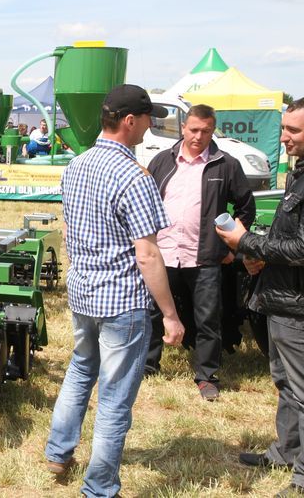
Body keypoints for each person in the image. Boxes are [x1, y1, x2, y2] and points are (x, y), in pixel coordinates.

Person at [44, 84, 184, 498]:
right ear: (129, 122)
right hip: (122, 300)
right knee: (115, 398)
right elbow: (148, 255)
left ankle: (58, 453)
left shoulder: (76, 165)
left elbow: (70, 229)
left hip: (85, 293)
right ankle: (100, 485)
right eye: (147, 118)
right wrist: (172, 316)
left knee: (81, 370)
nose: (150, 125)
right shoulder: (133, 176)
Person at [217, 98, 304, 497]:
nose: (284, 137)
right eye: (284, 128)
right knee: (285, 382)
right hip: (282, 298)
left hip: (297, 305)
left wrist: (246, 240)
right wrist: (260, 254)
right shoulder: (297, 174)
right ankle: (285, 452)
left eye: (293, 131)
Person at [145, 104, 255, 401]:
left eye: (205, 131)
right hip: (165, 253)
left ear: (212, 131)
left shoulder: (226, 164)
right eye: (193, 129)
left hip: (205, 257)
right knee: (153, 314)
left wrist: (232, 245)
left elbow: (246, 207)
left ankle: (207, 376)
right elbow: (147, 203)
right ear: (183, 127)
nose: (198, 136)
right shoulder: (162, 161)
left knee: (208, 318)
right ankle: (147, 366)